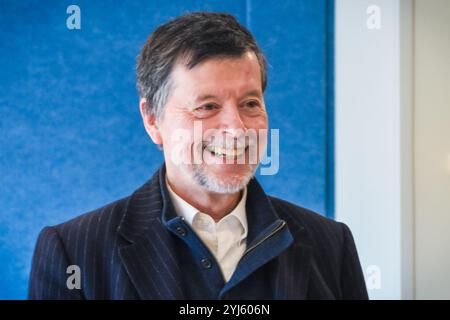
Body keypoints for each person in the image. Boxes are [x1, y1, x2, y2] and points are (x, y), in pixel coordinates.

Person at [28, 12, 368, 300]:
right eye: (207, 107)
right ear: (152, 120)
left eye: (250, 104)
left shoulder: (331, 245)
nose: (236, 129)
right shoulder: (73, 252)